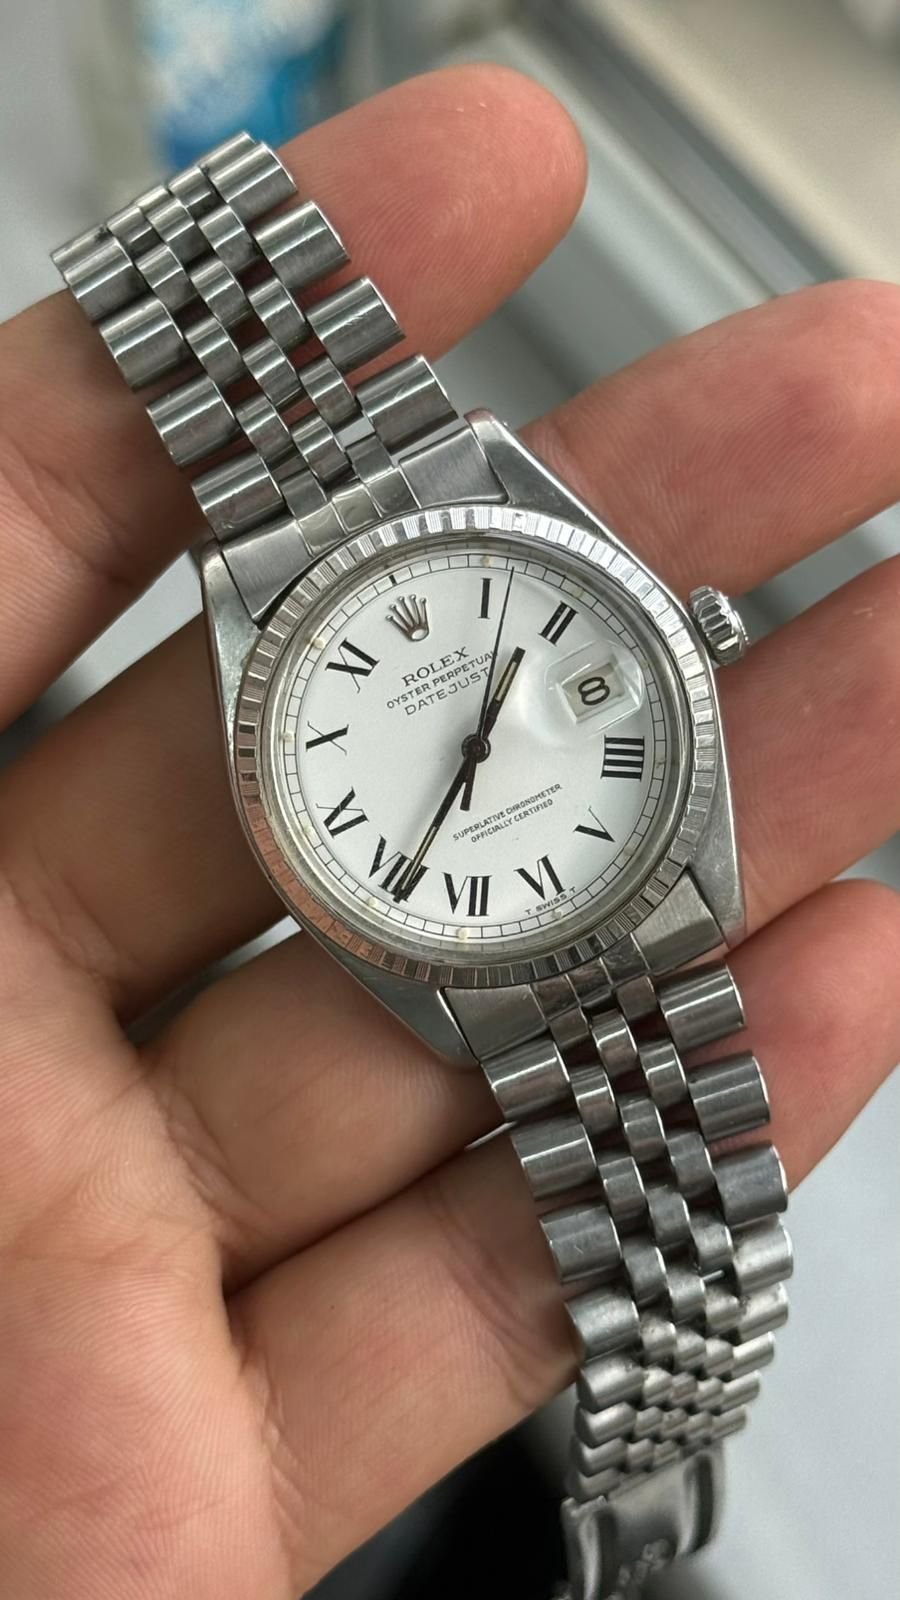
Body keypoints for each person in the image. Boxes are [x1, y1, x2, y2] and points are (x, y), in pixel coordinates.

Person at [0, 64, 897, 1599]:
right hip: (485, 921)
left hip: (551, 891)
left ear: (687, 639)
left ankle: (664, 1453)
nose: (478, 747)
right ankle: (660, 1469)